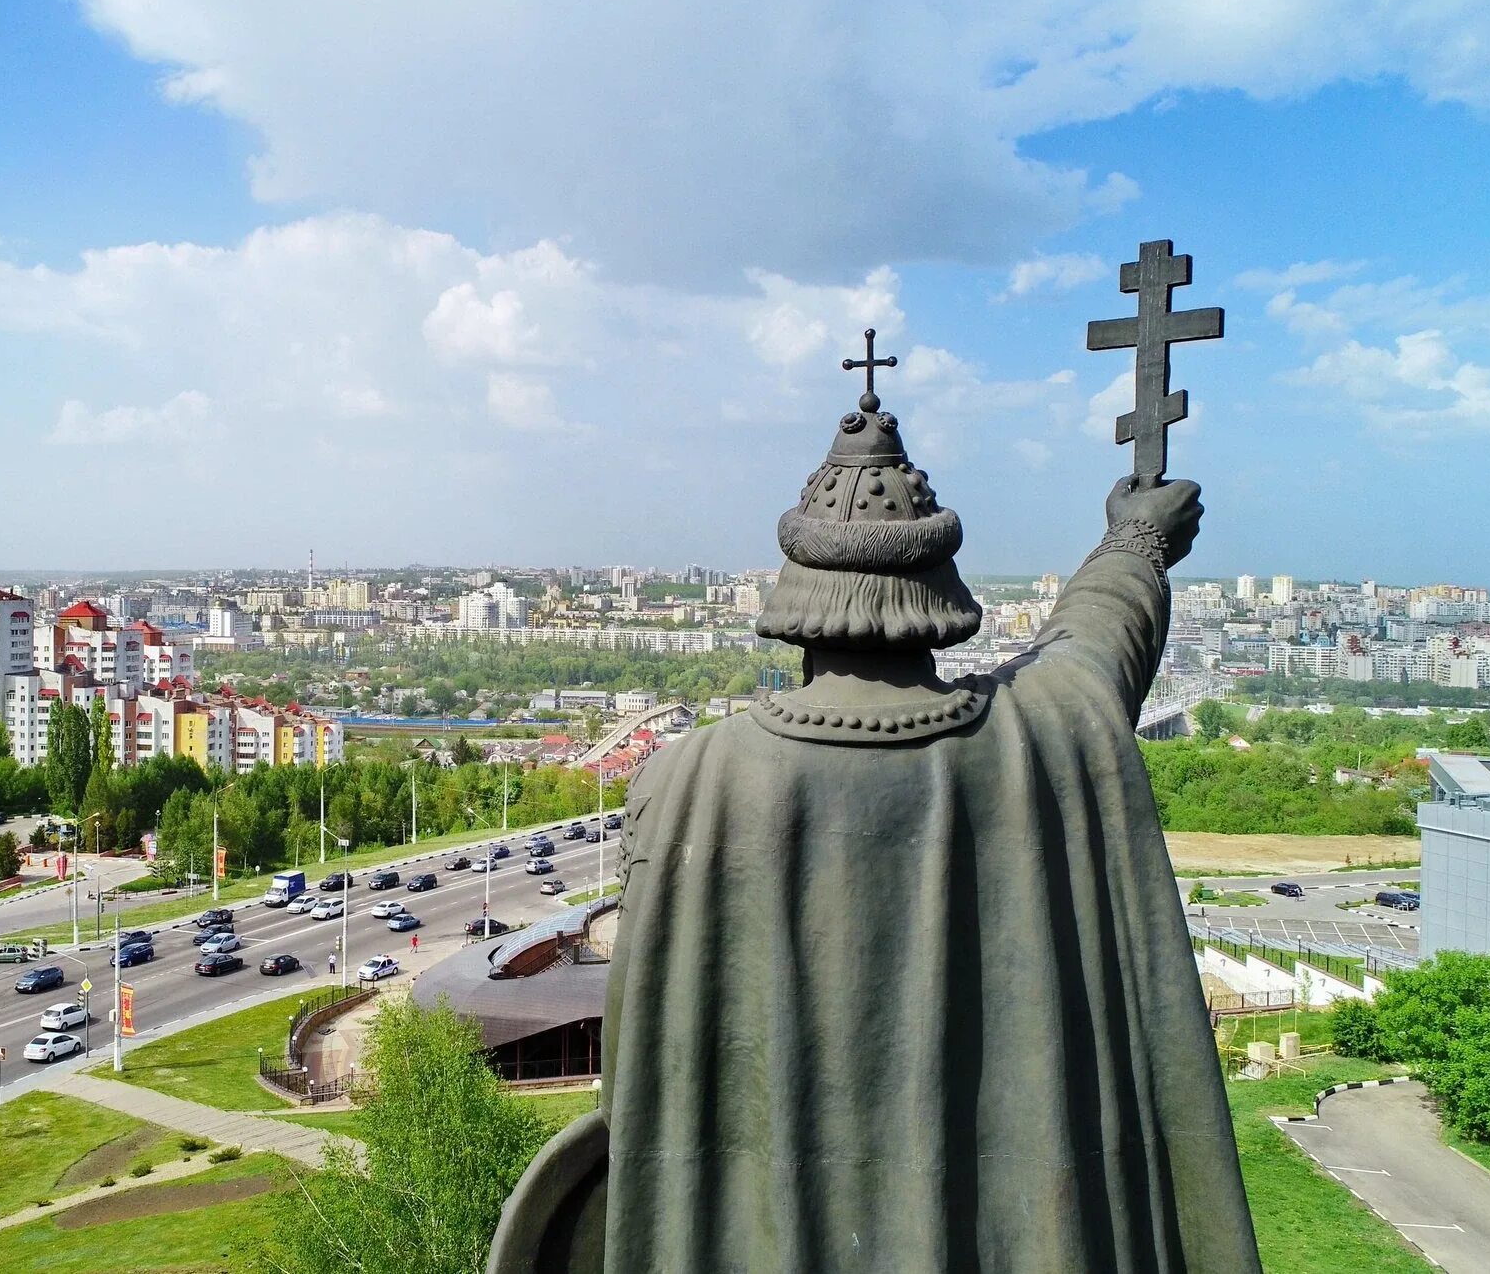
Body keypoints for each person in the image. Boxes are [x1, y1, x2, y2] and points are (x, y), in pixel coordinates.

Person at [492, 365, 1254, 1271]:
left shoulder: (691, 780)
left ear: (796, 606)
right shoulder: (1034, 742)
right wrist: (1135, 539)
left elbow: (643, 1096)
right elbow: (1091, 655)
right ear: (934, 595)